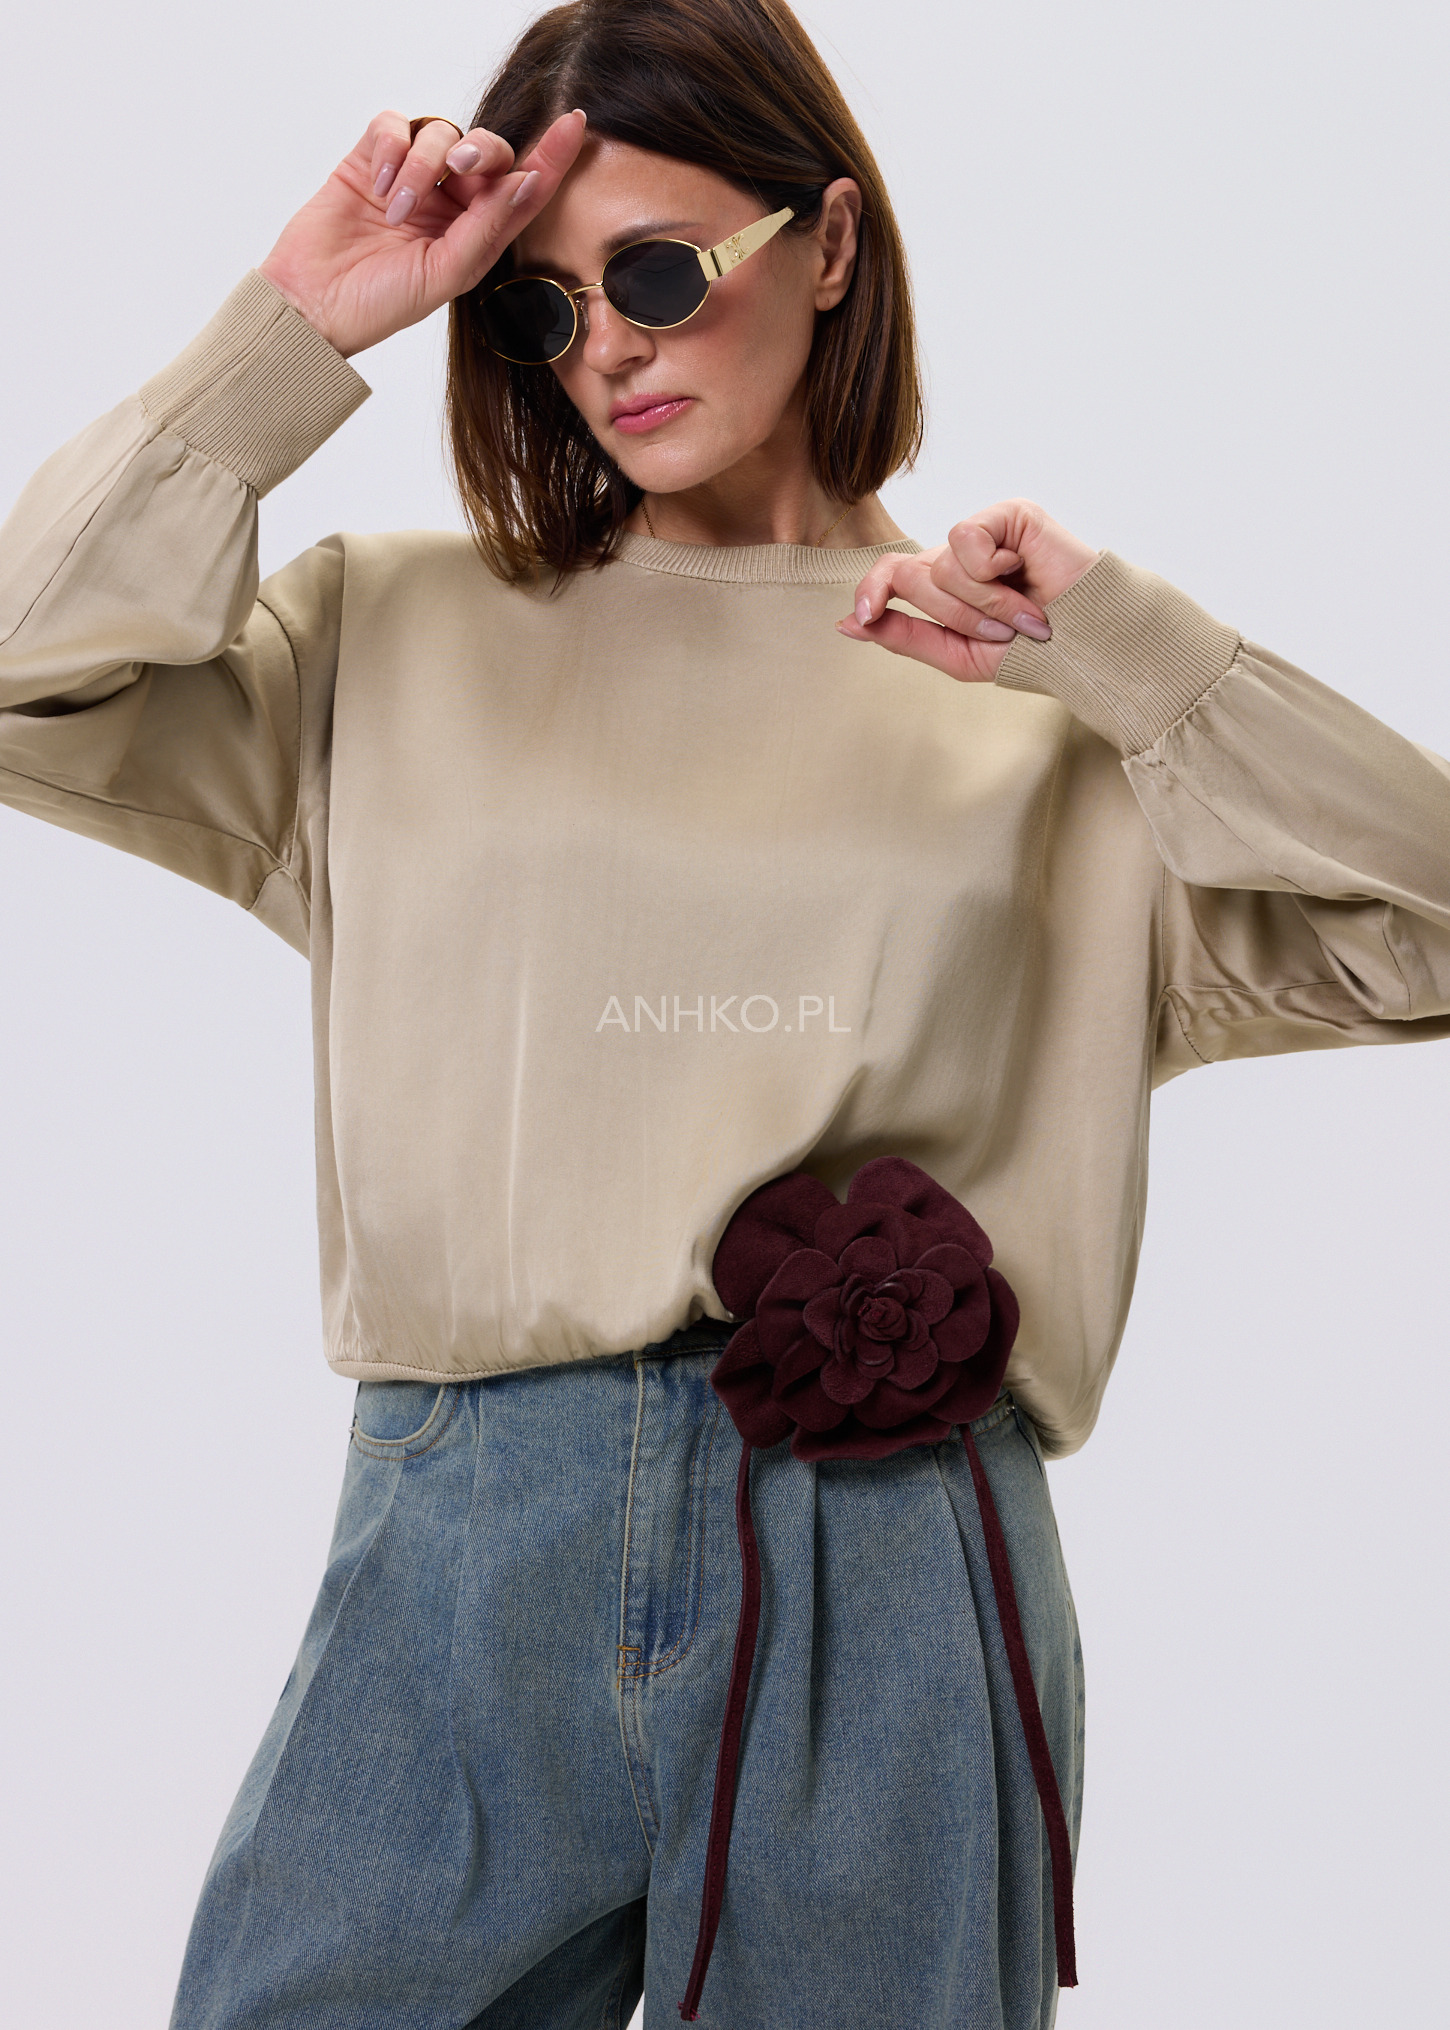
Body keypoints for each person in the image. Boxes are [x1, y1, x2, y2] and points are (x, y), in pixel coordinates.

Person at [2, 0, 1448, 2023]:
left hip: (891, 1568)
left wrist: (1126, 649)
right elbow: (26, 675)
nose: (604, 346)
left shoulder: (1038, 716)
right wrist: (294, 332)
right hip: (461, 1542)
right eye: (536, 309)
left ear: (827, 243)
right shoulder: (379, 637)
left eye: (660, 274)